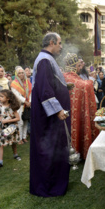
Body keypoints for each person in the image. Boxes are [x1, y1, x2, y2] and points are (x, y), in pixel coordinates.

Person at [30, 32, 71, 197]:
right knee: (49, 148)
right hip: (48, 117)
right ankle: (50, 185)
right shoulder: (45, 60)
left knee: (54, 148)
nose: (61, 47)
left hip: (49, 115)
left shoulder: (45, 58)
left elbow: (48, 84)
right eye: (60, 43)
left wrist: (64, 86)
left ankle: (54, 181)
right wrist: (58, 110)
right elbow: (45, 90)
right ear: (52, 42)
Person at [63, 53, 98, 159]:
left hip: (71, 110)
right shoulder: (68, 77)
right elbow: (83, 85)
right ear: (74, 66)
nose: (80, 68)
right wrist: (91, 80)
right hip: (73, 112)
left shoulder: (66, 76)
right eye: (78, 66)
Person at [0, 89, 22, 170]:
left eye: (2, 97)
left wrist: (7, 120)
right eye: (0, 96)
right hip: (0, 127)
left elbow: (18, 118)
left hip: (10, 127)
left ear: (8, 98)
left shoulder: (12, 107)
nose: (0, 98)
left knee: (13, 141)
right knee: (0, 143)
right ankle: (0, 162)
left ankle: (15, 154)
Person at [11, 67, 31, 144]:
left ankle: (24, 137)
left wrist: (29, 101)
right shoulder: (14, 83)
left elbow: (30, 92)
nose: (21, 74)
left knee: (26, 120)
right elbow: (17, 95)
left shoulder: (28, 82)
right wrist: (25, 102)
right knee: (20, 122)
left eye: (22, 72)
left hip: (27, 105)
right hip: (19, 105)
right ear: (16, 74)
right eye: (19, 73)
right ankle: (19, 138)